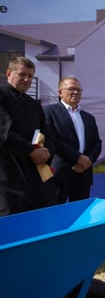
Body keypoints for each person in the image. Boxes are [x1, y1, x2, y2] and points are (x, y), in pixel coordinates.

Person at [0, 56, 57, 214]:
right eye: (22, 74)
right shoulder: (2, 95)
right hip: (8, 172)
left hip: (34, 171)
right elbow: (4, 131)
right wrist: (30, 150)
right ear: (9, 73)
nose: (27, 79)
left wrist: (46, 152)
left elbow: (47, 132)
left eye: (30, 76)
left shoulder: (33, 104)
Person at [43, 76, 101, 204]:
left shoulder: (88, 117)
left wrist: (88, 160)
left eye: (79, 90)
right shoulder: (49, 111)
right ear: (60, 92)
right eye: (71, 89)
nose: (75, 92)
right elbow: (53, 139)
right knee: (56, 214)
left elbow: (97, 143)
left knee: (81, 216)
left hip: (83, 173)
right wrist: (77, 157)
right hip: (60, 174)